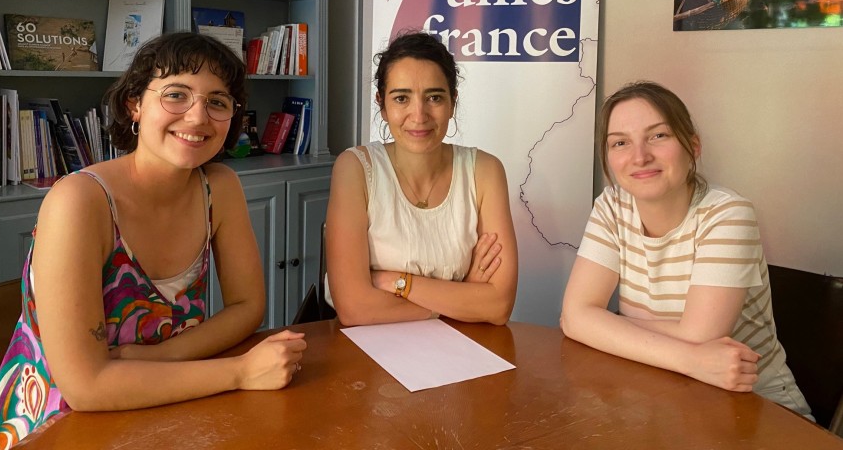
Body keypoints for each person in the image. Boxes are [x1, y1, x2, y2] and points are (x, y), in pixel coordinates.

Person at [0, 33, 306, 449]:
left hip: (174, 400)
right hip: (56, 424)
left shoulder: (219, 187)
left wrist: (159, 356)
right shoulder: (79, 201)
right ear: (135, 104)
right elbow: (86, 387)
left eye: (217, 102)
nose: (197, 117)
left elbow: (247, 306)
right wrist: (241, 372)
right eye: (176, 95)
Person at [560, 81, 810, 416]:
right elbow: (575, 317)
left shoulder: (727, 213)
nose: (640, 156)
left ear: (693, 146)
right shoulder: (612, 205)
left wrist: (601, 322)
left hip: (754, 406)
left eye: (658, 136)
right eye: (620, 142)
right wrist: (692, 356)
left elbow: (701, 337)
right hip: (657, 394)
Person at [325, 30, 518, 326]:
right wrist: (463, 299)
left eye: (434, 97)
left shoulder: (485, 171)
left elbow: (499, 305)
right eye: (401, 98)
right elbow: (354, 309)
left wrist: (395, 282)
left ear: (453, 103)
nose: (419, 115)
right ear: (382, 105)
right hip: (368, 346)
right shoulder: (355, 168)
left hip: (459, 345)